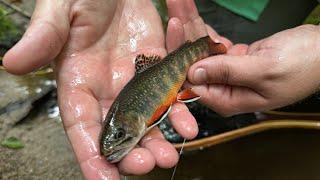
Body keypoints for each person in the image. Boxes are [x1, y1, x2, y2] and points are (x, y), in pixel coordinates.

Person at [3, 0, 319, 179]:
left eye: (118, 139)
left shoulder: (133, 118)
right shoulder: (131, 118)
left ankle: (216, 108)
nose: (115, 146)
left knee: (222, 70)